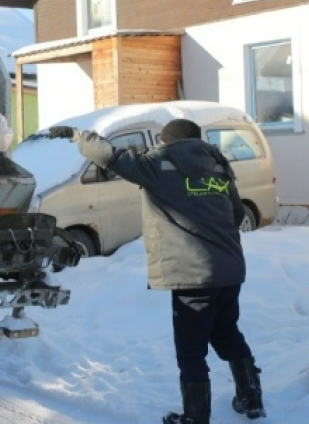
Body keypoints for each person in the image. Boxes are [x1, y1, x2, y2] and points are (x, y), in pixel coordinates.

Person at [48, 118, 265, 424]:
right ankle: (251, 399)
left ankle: (196, 417)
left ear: (167, 142)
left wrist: (76, 135)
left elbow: (112, 156)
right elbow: (237, 213)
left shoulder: (159, 165)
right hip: (229, 269)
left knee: (191, 350)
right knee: (227, 332)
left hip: (193, 273)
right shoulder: (218, 166)